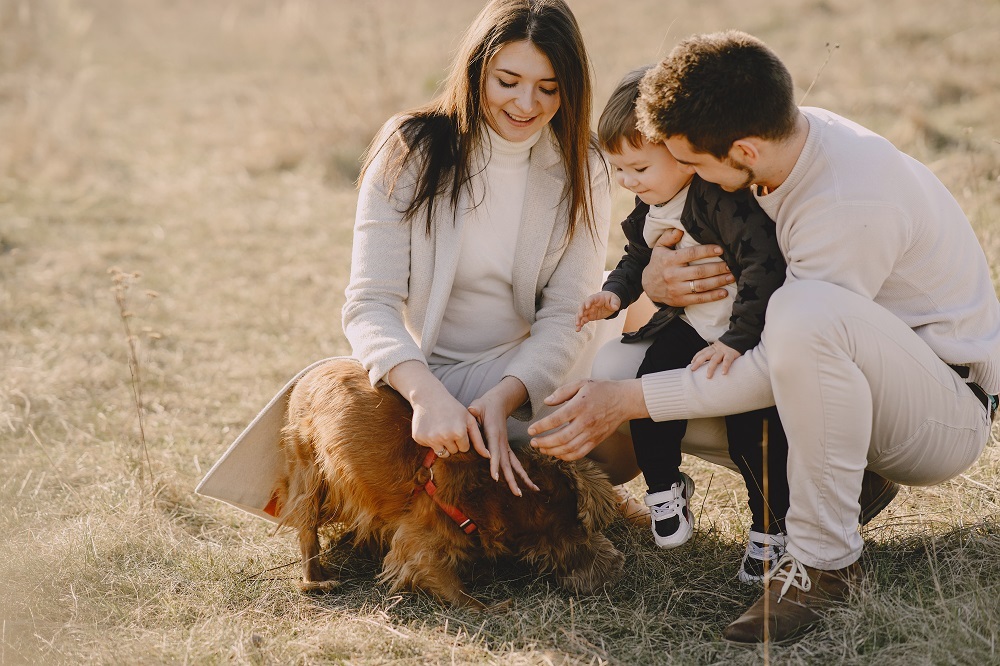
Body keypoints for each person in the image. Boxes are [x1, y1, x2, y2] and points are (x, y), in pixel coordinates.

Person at [528, 29, 1000, 643]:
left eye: (695, 165)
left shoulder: (843, 198)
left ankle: (826, 565)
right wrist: (654, 279)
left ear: (743, 151)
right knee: (617, 368)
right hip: (850, 380)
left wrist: (630, 403)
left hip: (940, 414)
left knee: (801, 315)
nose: (690, 180)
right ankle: (838, 481)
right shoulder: (776, 144)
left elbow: (781, 355)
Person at [342, 0, 646, 513]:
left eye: (548, 88)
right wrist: (424, 396)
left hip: (536, 374)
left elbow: (567, 307)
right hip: (436, 378)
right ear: (476, 68)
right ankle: (555, 480)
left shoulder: (583, 161)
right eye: (508, 81)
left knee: (639, 312)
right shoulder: (409, 150)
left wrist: (509, 395)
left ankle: (603, 483)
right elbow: (369, 304)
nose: (526, 103)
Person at [576, 65, 790, 582]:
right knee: (650, 387)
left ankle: (771, 528)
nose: (628, 181)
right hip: (694, 326)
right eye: (620, 169)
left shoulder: (719, 202)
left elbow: (765, 266)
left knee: (752, 431)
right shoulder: (647, 207)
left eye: (638, 168)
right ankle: (665, 488)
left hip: (746, 332)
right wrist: (615, 293)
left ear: (681, 155)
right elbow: (635, 257)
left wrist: (739, 339)